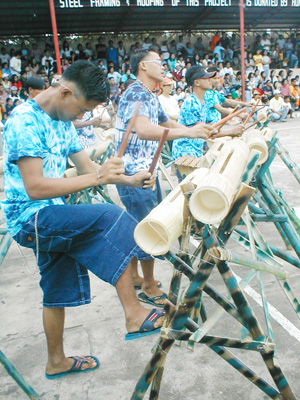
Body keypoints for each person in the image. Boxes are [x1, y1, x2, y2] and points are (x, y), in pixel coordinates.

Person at [2, 60, 165, 379]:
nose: (80, 118)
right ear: (64, 92)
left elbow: (90, 168)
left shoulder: (61, 120)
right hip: (29, 218)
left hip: (52, 214)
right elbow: (34, 187)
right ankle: (134, 313)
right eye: (80, 110)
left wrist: (129, 180)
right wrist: (98, 180)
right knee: (108, 217)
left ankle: (56, 361)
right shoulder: (23, 121)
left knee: (56, 289)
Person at [115, 50, 214, 305]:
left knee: (138, 225)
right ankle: (148, 286)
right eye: (159, 63)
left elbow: (166, 122)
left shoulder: (148, 94)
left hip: (146, 171)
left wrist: (193, 130)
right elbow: (145, 130)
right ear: (143, 65)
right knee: (149, 228)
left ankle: (138, 276)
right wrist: (189, 134)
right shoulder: (136, 93)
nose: (164, 67)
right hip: (133, 174)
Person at [172, 65, 243, 161]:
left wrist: (217, 129)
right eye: (205, 78)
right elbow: (204, 131)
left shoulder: (204, 102)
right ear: (197, 82)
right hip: (185, 153)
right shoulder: (192, 103)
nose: (209, 80)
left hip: (196, 150)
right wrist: (231, 132)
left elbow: (209, 128)